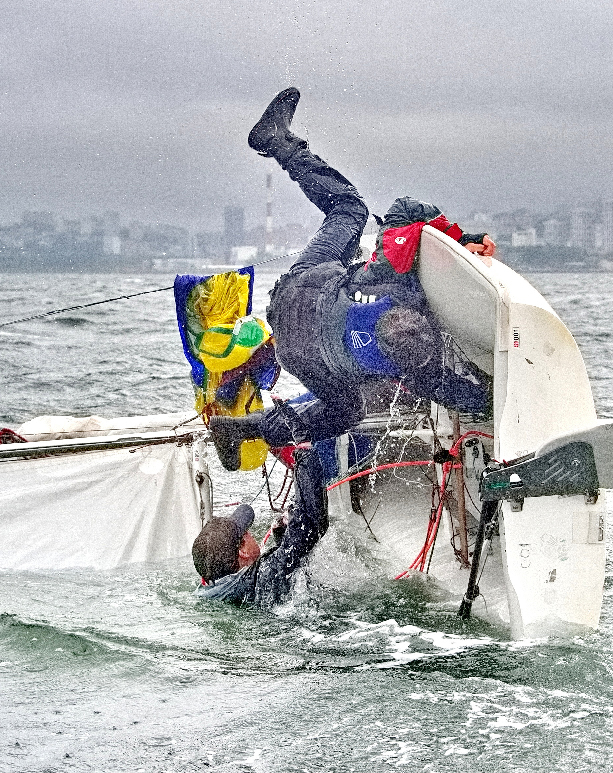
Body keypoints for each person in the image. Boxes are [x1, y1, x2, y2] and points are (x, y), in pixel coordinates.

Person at [210, 88, 496, 472]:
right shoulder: (419, 371)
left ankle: (281, 145)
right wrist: (494, 392)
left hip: (301, 291)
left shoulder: (391, 277)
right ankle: (247, 429)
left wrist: (460, 238)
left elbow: (404, 209)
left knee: (349, 208)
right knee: (344, 412)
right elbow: (466, 398)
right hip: (297, 353)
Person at [194, 446, 327, 606]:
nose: (251, 533)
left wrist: (283, 537)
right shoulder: (265, 576)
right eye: (246, 532)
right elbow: (311, 526)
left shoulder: (214, 590)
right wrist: (304, 451)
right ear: (242, 551)